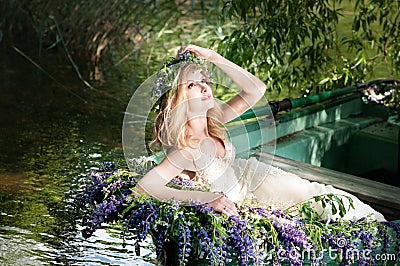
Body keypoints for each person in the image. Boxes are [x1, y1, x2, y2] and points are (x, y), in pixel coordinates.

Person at [135, 44, 386, 221]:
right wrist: (203, 198)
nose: (203, 87)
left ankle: (381, 226)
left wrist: (213, 57)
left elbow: (256, 89)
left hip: (257, 179)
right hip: (251, 197)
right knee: (316, 206)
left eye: (204, 81)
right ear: (178, 98)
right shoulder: (187, 148)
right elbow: (144, 187)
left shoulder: (216, 117)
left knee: (321, 196)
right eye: (192, 85)